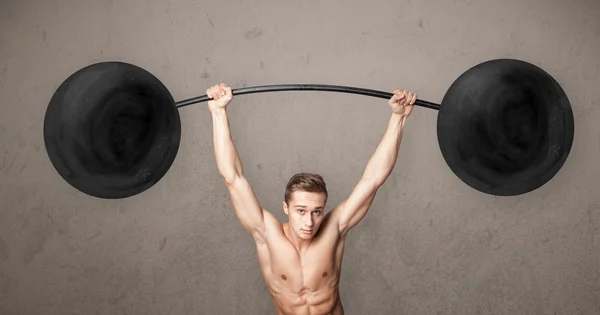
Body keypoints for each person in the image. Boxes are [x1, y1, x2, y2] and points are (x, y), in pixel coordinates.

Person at [207, 82, 416, 315]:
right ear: (285, 208)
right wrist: (218, 111)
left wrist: (398, 118)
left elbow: (373, 179)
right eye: (301, 211)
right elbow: (232, 177)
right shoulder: (267, 234)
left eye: (317, 211)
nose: (309, 222)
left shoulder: (334, 228)